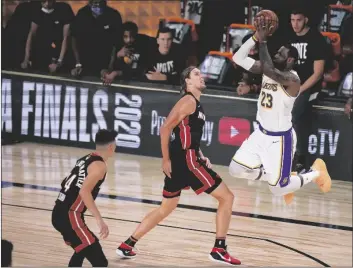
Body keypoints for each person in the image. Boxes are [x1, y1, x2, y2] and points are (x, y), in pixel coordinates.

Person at [116, 66, 241, 266]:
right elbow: (166, 128)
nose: (201, 77)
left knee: (166, 208)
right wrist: (165, 160)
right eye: (196, 74)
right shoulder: (188, 100)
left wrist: (201, 154)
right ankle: (219, 248)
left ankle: (128, 244)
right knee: (227, 198)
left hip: (186, 159)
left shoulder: (195, 103)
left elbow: (187, 136)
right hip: (187, 161)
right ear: (187, 82)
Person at [229, 15, 331, 204]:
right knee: (235, 169)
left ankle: (316, 173)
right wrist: (254, 38)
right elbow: (237, 57)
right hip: (260, 134)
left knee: (278, 190)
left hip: (280, 139)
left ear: (290, 59)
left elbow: (270, 71)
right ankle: (284, 178)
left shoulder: (292, 80)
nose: (275, 55)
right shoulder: (268, 68)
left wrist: (263, 40)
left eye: (280, 54)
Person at [51, 129, 117, 267]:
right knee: (100, 262)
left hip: (59, 212)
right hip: (70, 216)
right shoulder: (99, 166)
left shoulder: (85, 159)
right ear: (111, 146)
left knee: (82, 249)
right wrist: (99, 220)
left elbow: (65, 182)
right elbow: (84, 191)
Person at [289, 9, 327, 173]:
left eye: (298, 20)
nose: (295, 24)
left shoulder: (316, 39)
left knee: (296, 113)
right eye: (292, 20)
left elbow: (317, 74)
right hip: (292, 85)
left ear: (306, 20)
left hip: (311, 87)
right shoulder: (289, 38)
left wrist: (299, 90)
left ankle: (300, 159)